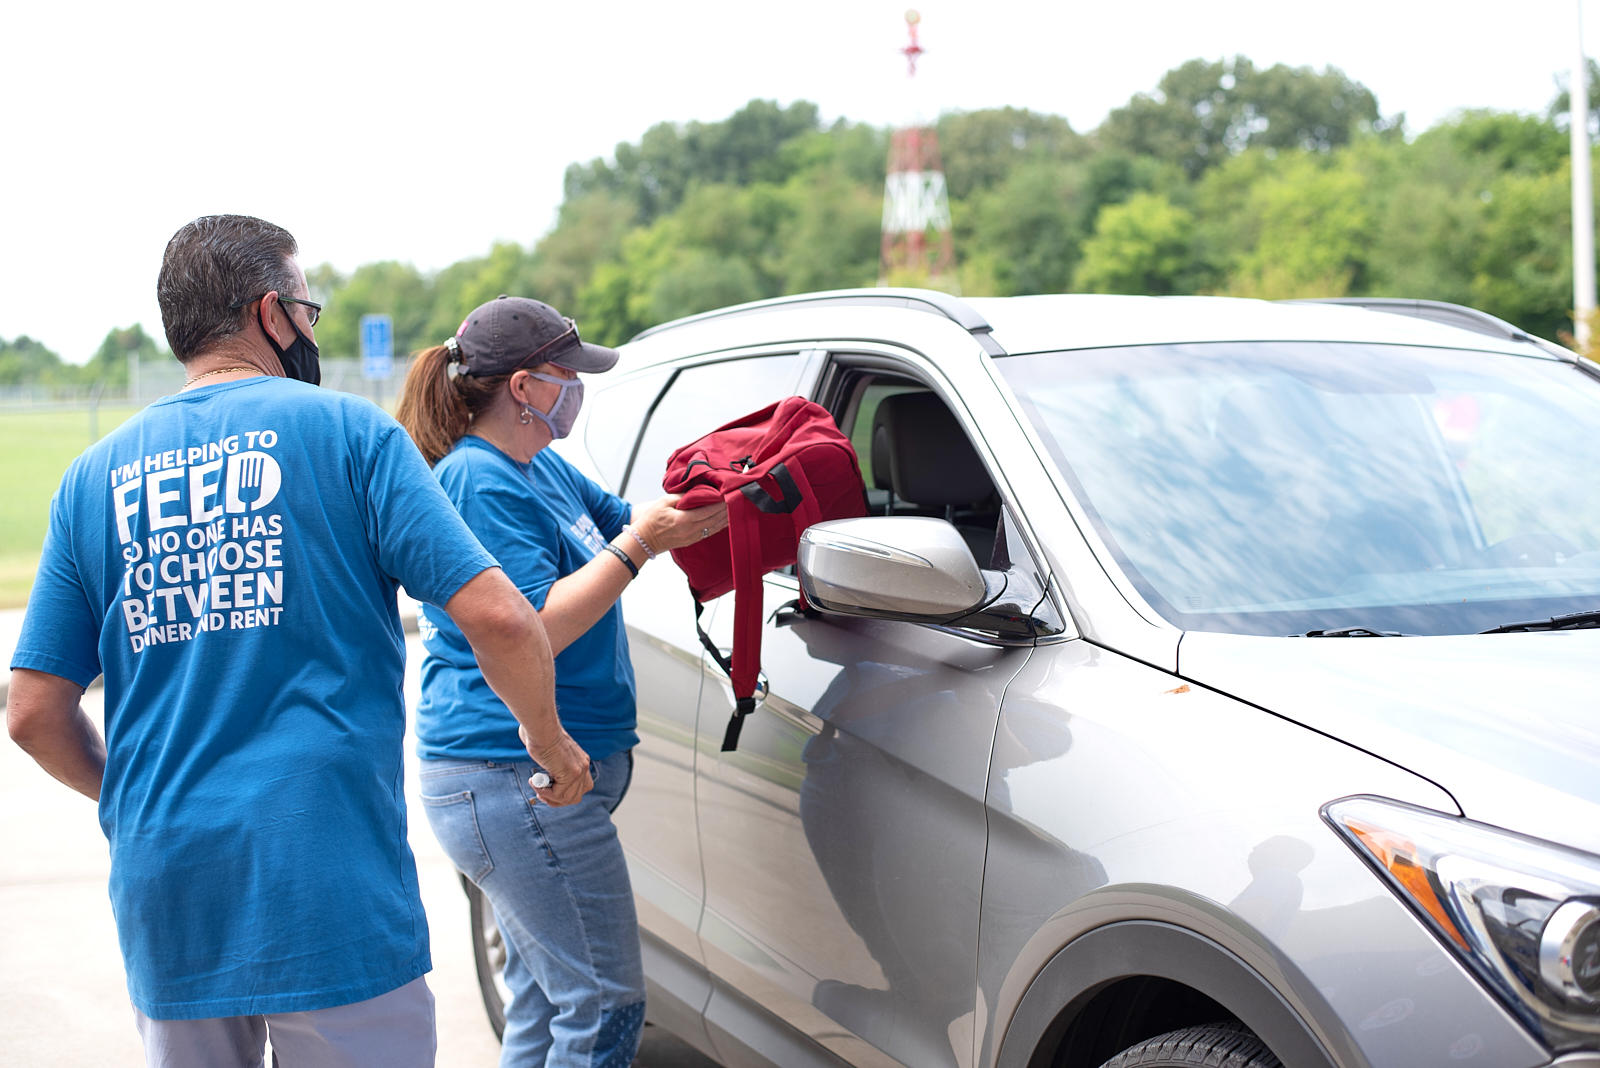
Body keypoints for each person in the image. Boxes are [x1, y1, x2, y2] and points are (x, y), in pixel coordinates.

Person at [5, 216, 593, 1068]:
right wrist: (550, 743)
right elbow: (502, 616)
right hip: (331, 881)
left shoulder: (93, 478)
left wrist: (129, 803)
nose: (313, 330)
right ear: (270, 311)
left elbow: (31, 712)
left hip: (171, 891)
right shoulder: (351, 435)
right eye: (309, 309)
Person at [395, 295, 727, 1068]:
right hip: (513, 776)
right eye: (565, 375)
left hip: (535, 782)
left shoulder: (538, 465)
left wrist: (728, 492)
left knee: (544, 1007)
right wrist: (641, 546)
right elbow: (537, 624)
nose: (577, 387)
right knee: (605, 1006)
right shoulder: (479, 480)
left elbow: (628, 519)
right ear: (523, 387)